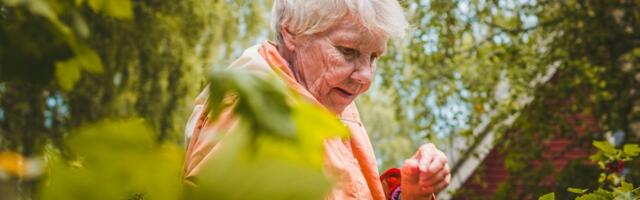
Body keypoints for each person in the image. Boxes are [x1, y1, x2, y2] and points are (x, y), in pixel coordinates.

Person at [183, 0, 451, 199]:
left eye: (374, 57)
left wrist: (409, 193)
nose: (365, 77)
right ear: (292, 33)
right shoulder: (252, 111)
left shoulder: (326, 98)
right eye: (348, 51)